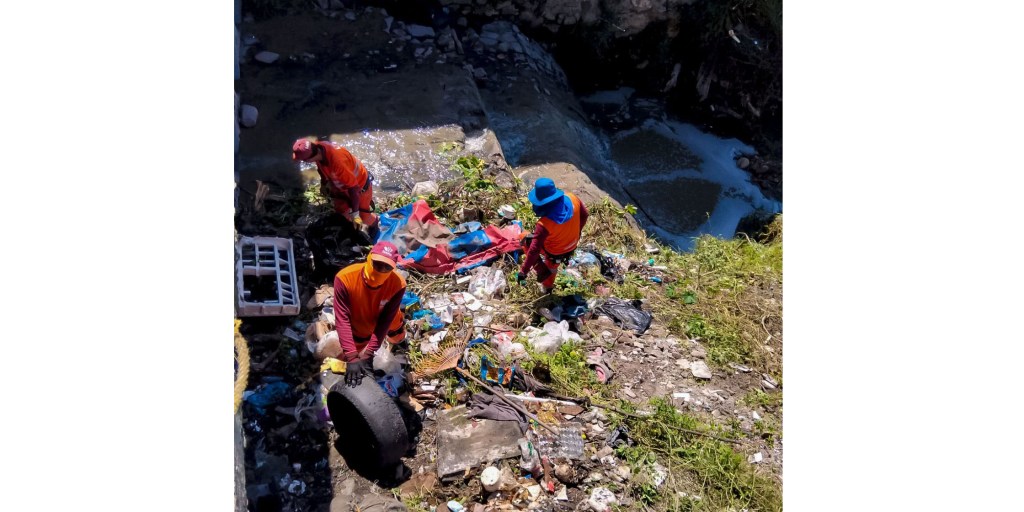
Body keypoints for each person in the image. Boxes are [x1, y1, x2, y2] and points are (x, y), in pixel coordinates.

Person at [332, 241, 407, 386]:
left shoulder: (398, 284)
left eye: (387, 267)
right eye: (377, 263)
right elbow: (342, 319)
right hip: (359, 318)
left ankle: (400, 342)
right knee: (354, 350)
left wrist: (370, 353)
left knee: (396, 328)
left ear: (393, 268)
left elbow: (385, 320)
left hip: (385, 316)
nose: (381, 270)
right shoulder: (345, 278)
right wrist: (353, 357)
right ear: (369, 258)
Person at [517, 178, 589, 294]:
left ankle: (541, 270)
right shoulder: (573, 198)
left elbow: (534, 250)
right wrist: (578, 232)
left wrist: (523, 271)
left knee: (523, 238)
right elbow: (585, 215)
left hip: (553, 251)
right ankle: (548, 287)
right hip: (572, 245)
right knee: (553, 265)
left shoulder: (544, 224)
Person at [292, 138, 380, 232]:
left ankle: (375, 225)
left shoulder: (337, 163)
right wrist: (324, 184)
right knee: (341, 211)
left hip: (360, 188)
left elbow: (354, 189)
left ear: (309, 159)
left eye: (303, 160)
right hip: (342, 186)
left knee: (364, 217)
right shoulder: (318, 148)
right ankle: (352, 226)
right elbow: (321, 168)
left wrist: (355, 215)